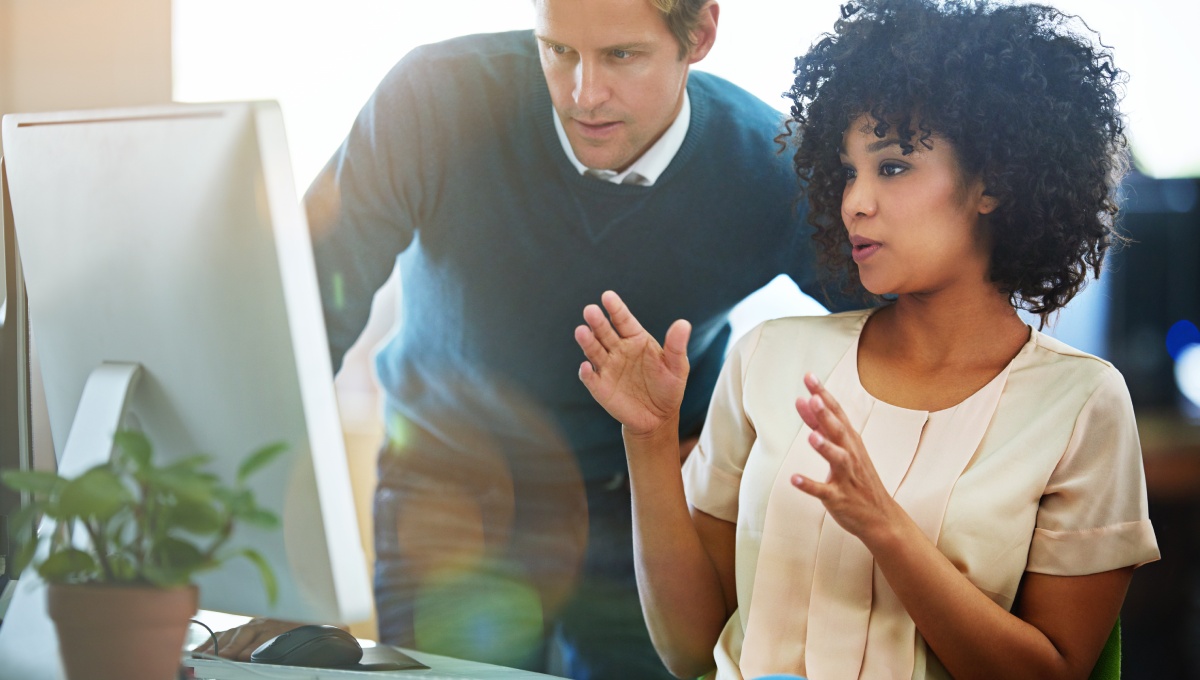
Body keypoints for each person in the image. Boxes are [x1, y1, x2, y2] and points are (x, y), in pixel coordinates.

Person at [201, 0, 852, 676]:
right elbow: (303, 318)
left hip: (640, 502)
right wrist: (272, 576)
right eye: (558, 50)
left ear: (701, 34)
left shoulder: (774, 167)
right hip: (450, 491)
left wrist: (742, 457)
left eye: (621, 56)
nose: (584, 93)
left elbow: (910, 321)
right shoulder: (433, 100)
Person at [574, 0, 1161, 678]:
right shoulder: (770, 357)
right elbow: (687, 648)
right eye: (848, 171)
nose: (854, 201)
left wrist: (885, 527)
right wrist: (650, 440)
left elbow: (1053, 672)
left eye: (891, 167)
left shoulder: (1079, 402)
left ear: (994, 181)